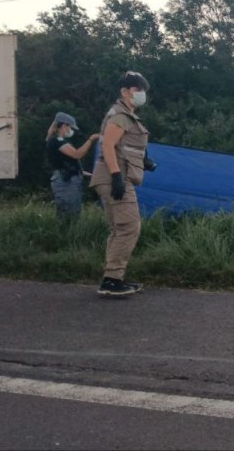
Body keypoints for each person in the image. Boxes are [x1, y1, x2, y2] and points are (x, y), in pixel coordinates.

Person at [89, 71, 154, 297]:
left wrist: (144, 160)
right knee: (129, 227)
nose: (142, 95)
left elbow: (124, 146)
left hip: (110, 176)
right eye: (138, 90)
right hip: (114, 178)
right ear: (125, 92)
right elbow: (107, 145)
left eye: (144, 90)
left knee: (118, 228)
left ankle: (113, 277)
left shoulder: (125, 114)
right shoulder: (119, 115)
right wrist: (117, 175)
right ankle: (112, 280)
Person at [45, 112, 99, 221]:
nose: (71, 130)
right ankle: (66, 236)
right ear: (64, 126)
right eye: (70, 127)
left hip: (69, 180)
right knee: (68, 214)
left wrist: (93, 175)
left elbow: (75, 168)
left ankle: (68, 235)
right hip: (65, 182)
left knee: (73, 213)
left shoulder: (59, 141)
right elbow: (77, 154)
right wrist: (91, 140)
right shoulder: (56, 141)